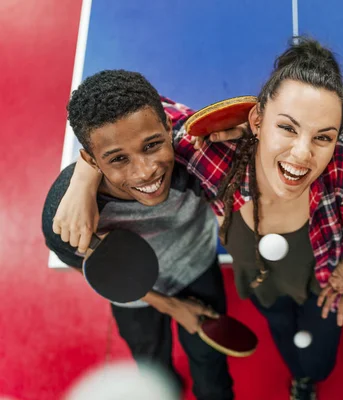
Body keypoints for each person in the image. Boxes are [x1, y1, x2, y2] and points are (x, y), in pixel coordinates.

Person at [52, 38, 343, 399]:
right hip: (259, 277)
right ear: (257, 121)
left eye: (323, 136)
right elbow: (146, 115)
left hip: (322, 279)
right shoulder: (214, 155)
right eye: (287, 128)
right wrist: (84, 176)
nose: (301, 154)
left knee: (317, 362)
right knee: (276, 321)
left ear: (337, 138)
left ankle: (307, 379)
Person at [42, 70, 234, 399]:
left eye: (152, 145)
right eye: (118, 159)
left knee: (211, 366)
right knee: (151, 368)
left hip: (196, 264)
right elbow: (83, 264)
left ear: (169, 129)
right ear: (90, 159)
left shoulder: (194, 163)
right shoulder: (69, 216)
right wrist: (171, 306)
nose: (146, 171)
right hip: (131, 291)